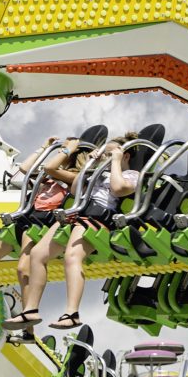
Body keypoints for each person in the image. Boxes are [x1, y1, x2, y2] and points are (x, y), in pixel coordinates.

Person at [0, 136, 77, 342]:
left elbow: (51, 168)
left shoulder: (76, 178)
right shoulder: (48, 177)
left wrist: (68, 150)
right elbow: (25, 170)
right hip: (23, 219)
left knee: (22, 269)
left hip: (40, 223)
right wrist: (44, 146)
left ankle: (28, 329)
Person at [19, 135, 138, 331]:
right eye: (105, 155)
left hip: (97, 217)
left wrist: (115, 162)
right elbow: (75, 190)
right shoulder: (97, 172)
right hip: (75, 213)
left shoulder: (133, 174)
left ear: (125, 155)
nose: (106, 158)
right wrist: (92, 164)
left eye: (110, 154)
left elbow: (118, 189)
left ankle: (72, 313)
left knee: (71, 257)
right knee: (38, 254)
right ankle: (30, 310)